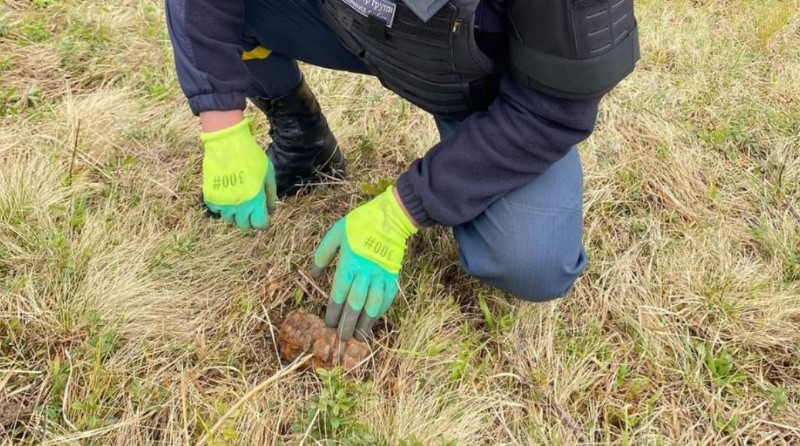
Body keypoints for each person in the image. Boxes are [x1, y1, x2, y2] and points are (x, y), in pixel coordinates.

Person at [165, 0, 639, 341]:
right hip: (346, 21)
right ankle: (304, 143)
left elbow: (553, 109)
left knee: (531, 261)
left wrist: (401, 211)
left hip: (480, 84)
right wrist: (221, 125)